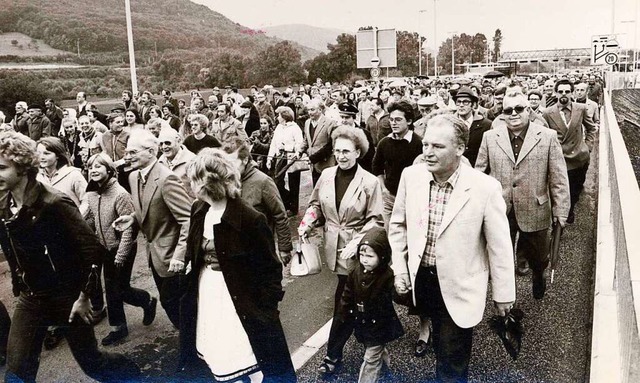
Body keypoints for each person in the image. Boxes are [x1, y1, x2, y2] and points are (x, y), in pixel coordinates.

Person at [0, 131, 141, 382]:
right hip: (31, 297)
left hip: (68, 296)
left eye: (1, 167)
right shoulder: (4, 204)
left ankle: (133, 376)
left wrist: (85, 296)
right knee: (17, 371)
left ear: (22, 167)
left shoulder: (54, 202)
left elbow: (92, 250)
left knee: (93, 364)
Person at [389, 114, 516, 382]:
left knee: (452, 358)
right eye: (425, 145)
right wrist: (400, 269)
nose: (427, 153)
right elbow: (398, 225)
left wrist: (504, 293)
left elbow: (500, 246)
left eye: (438, 147)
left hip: (460, 286)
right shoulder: (411, 177)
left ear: (459, 149)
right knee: (439, 347)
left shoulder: (485, 188)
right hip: (421, 281)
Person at [179, 148, 296, 382]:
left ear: (206, 184)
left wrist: (264, 308)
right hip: (208, 293)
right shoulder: (199, 209)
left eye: (193, 179)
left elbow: (271, 271)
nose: (189, 184)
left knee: (248, 356)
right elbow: (194, 252)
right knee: (217, 354)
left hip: (241, 300)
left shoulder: (251, 219)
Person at [298, 125, 383, 378]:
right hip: (333, 249)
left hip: (358, 252)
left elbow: (376, 220)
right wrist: (307, 222)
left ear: (358, 152)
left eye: (347, 151)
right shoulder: (325, 176)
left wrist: (357, 242)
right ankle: (372, 340)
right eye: (337, 151)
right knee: (358, 300)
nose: (341, 156)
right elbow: (316, 204)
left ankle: (333, 355)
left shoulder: (369, 182)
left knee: (345, 302)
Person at [476, 90, 570, 296]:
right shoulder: (490, 137)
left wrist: (560, 210)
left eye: (519, 109)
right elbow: (479, 174)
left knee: (539, 257)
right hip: (500, 210)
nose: (514, 114)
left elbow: (559, 178)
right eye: (508, 110)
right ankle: (506, 300)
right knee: (501, 258)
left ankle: (539, 276)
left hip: (535, 208)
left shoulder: (547, 136)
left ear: (528, 110)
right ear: (502, 114)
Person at [113, 129, 191, 328]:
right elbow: (148, 207)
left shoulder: (167, 179)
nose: (127, 157)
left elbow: (187, 219)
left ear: (150, 152)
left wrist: (179, 255)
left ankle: (195, 349)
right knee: (171, 305)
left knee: (176, 306)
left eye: (133, 152)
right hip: (154, 256)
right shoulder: (133, 177)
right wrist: (132, 218)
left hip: (171, 257)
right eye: (127, 152)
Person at [84, 153, 158, 346]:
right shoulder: (91, 192)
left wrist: (121, 255)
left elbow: (128, 229)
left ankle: (147, 300)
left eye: (99, 166)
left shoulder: (120, 194)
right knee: (111, 288)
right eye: (91, 166)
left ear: (109, 170)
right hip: (102, 245)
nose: (94, 170)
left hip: (121, 247)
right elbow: (92, 218)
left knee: (120, 289)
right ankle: (119, 328)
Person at [336, 226, 404, 383]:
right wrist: (343, 313)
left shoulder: (387, 275)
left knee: (370, 358)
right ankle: (386, 374)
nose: (364, 259)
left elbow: (397, 297)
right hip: (362, 321)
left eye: (370, 256)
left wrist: (401, 291)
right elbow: (347, 294)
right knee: (374, 351)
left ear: (382, 256)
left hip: (380, 324)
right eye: (361, 254)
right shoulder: (355, 272)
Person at [222, 137, 293, 265]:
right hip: (235, 251)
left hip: (261, 249)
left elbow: (280, 215)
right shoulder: (226, 182)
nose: (228, 169)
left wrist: (284, 248)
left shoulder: (263, 181)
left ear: (245, 160)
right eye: (225, 164)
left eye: (232, 163)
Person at [542, 79, 597, 224]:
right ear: (556, 93)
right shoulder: (548, 113)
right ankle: (560, 215)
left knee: (575, 189)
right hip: (559, 159)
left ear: (572, 93)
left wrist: (587, 147)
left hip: (579, 158)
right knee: (559, 188)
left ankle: (570, 208)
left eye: (567, 91)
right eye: (560, 91)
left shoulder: (581, 108)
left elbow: (591, 128)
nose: (564, 94)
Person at [371, 100, 423, 231]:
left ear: (409, 121)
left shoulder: (418, 144)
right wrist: (383, 188)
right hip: (390, 197)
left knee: (410, 232)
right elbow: (376, 167)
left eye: (398, 120)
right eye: (391, 119)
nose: (393, 123)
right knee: (391, 233)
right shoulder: (384, 142)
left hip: (411, 198)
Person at [452, 86, 492, 167]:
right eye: (458, 102)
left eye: (465, 102)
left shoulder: (486, 125)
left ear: (473, 105)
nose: (461, 105)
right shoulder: (450, 123)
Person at [303, 99, 337, 185]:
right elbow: (306, 140)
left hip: (326, 164)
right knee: (316, 191)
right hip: (313, 166)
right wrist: (299, 151)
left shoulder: (330, 123)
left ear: (320, 110)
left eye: (312, 109)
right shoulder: (307, 123)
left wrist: (314, 158)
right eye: (308, 110)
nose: (310, 112)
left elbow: (331, 146)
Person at [158, 128, 197, 200]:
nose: (164, 147)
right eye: (161, 144)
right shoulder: (160, 162)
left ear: (179, 141)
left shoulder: (192, 161)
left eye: (167, 143)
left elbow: (198, 193)